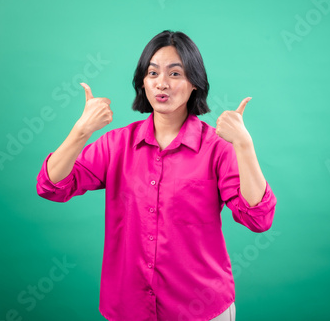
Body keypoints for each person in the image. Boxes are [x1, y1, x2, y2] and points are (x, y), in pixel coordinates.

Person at [36, 30, 276, 321]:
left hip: (201, 309)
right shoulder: (116, 145)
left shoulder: (217, 149)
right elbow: (52, 187)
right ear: (143, 82)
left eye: (175, 74)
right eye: (153, 73)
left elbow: (257, 218)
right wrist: (81, 132)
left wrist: (244, 145)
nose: (162, 83)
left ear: (194, 84)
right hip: (129, 308)